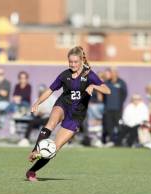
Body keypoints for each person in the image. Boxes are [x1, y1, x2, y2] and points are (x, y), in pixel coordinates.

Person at [25, 46, 111, 181]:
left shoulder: (89, 75)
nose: (73, 64)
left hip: (76, 115)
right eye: (70, 62)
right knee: (51, 123)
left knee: (54, 148)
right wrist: (37, 103)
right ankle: (35, 150)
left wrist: (93, 86)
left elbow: (107, 90)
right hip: (63, 105)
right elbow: (50, 90)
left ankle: (32, 172)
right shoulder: (65, 75)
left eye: (75, 62)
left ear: (82, 60)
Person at [102, 67, 127, 146]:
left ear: (117, 73)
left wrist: (120, 104)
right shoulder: (107, 83)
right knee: (109, 126)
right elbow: (103, 95)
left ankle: (119, 141)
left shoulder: (121, 83)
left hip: (117, 109)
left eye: (113, 72)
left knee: (119, 125)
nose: (112, 74)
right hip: (108, 109)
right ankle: (112, 140)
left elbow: (124, 94)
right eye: (111, 73)